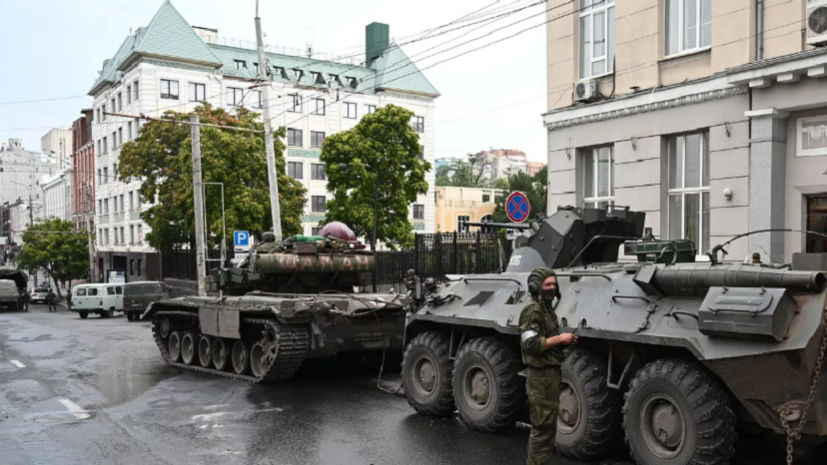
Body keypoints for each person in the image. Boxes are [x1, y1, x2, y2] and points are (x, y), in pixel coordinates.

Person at [519, 267, 578, 465]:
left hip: (549, 375)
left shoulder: (546, 308)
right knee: (542, 429)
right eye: (547, 285)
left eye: (554, 284)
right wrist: (559, 338)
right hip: (541, 377)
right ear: (536, 287)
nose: (552, 288)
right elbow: (530, 344)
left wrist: (561, 342)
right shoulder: (533, 310)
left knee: (547, 427)